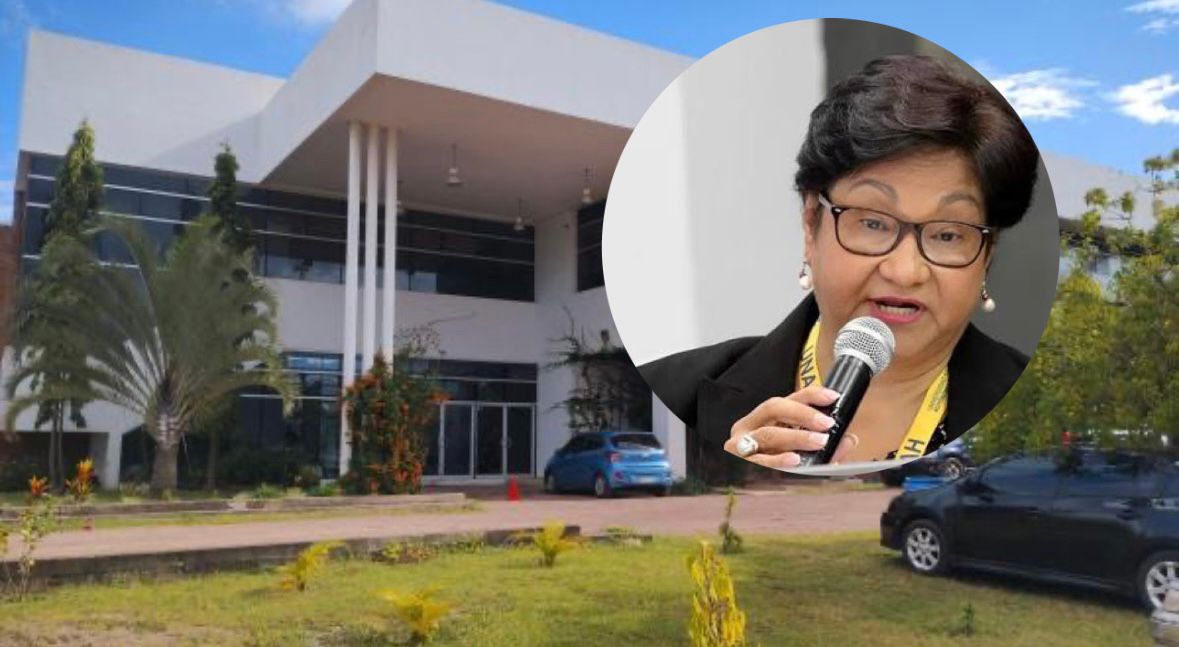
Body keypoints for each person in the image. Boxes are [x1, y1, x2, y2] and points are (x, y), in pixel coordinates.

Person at [638, 55, 1038, 471]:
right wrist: (734, 472)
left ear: (988, 254)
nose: (905, 272)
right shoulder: (673, 390)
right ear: (811, 223)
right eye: (873, 223)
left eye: (948, 234)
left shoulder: (1039, 406)